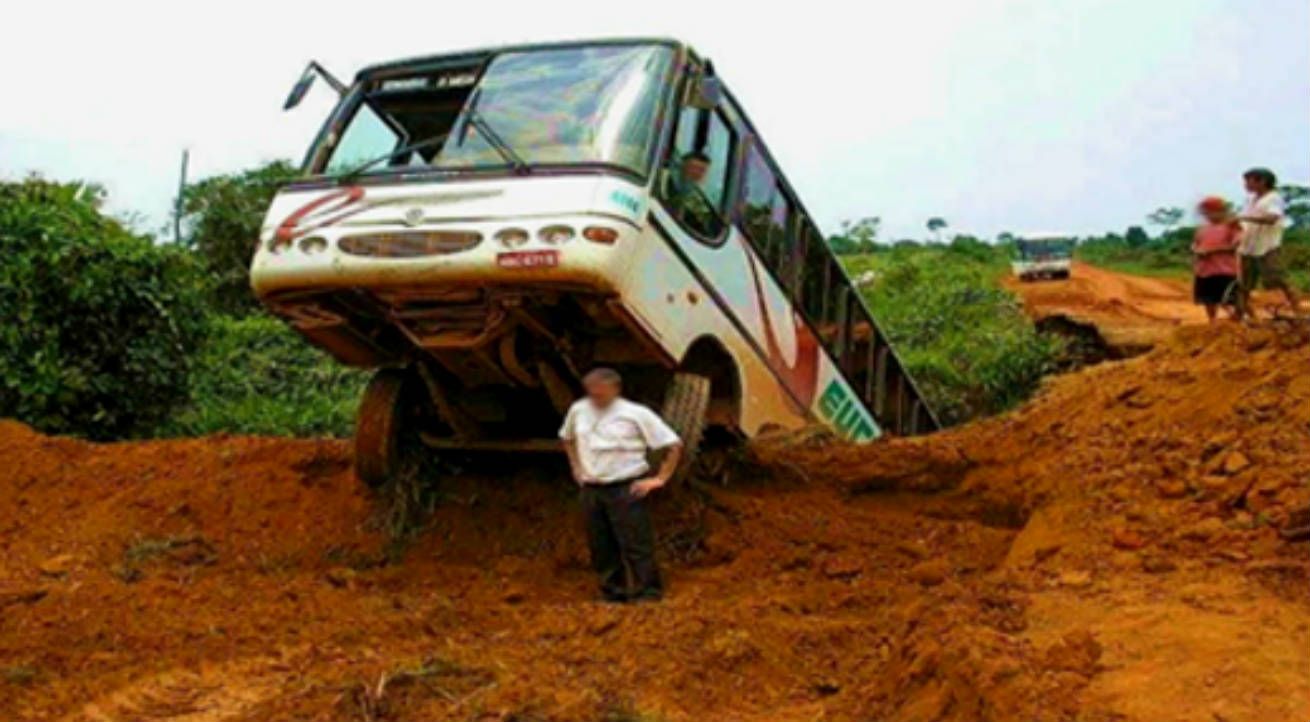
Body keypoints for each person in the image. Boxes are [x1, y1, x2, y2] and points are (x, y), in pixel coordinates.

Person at [559, 368, 682, 602]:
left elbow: (673, 444)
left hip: (626, 487)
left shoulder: (635, 413)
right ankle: (612, 593)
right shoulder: (578, 410)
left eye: (600, 391)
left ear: (614, 390)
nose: (594, 395)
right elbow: (567, 438)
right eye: (591, 391)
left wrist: (660, 479)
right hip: (592, 489)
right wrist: (576, 467)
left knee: (636, 543)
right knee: (601, 545)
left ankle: (648, 593)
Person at [1238, 168, 1301, 317]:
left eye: (1249, 180)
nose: (1246, 184)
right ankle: (1241, 313)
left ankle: (1298, 310)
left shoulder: (1273, 198)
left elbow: (1272, 218)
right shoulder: (1250, 200)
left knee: (1279, 279)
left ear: (1262, 181)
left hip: (1268, 246)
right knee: (1244, 283)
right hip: (1248, 247)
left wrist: (1246, 218)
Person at [1191, 196, 1244, 323]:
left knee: (1229, 298)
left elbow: (1234, 246)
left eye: (1210, 212)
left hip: (1224, 270)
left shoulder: (1232, 227)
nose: (1207, 215)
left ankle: (1237, 320)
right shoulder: (1202, 229)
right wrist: (1196, 251)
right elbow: (1195, 244)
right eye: (1205, 213)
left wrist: (1212, 251)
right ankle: (1212, 321)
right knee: (1208, 299)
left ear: (1220, 211)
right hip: (1204, 270)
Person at [666, 151, 718, 235]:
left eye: (703, 171)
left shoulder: (698, 199)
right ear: (683, 165)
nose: (699, 174)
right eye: (696, 168)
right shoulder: (666, 180)